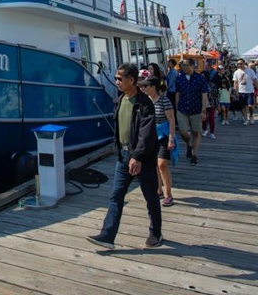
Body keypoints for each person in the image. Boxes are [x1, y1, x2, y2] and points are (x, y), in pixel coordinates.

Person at [87, 63, 163, 250]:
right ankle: (107, 235)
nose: (116, 82)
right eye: (116, 78)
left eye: (120, 79)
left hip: (141, 159)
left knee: (150, 197)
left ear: (131, 80)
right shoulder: (120, 100)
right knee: (116, 196)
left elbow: (147, 134)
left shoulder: (145, 104)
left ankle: (156, 232)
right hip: (123, 157)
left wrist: (137, 157)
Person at [140, 75, 176, 207]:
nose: (143, 88)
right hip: (150, 136)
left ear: (153, 87)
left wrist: (171, 138)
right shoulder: (144, 101)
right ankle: (159, 190)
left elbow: (172, 120)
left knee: (162, 164)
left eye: (145, 86)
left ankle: (168, 195)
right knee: (154, 164)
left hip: (163, 135)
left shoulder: (164, 101)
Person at [175, 60, 209, 165]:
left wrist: (204, 110)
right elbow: (177, 93)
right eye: (182, 65)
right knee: (183, 131)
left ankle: (194, 154)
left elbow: (204, 95)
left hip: (196, 108)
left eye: (186, 65)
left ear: (192, 66)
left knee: (196, 132)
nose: (183, 67)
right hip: (182, 108)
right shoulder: (179, 78)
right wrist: (177, 106)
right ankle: (189, 144)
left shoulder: (200, 78)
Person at [233, 58, 256, 125]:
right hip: (241, 91)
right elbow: (235, 82)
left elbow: (255, 80)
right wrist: (236, 91)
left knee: (250, 106)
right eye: (238, 64)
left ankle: (251, 115)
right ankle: (246, 119)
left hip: (250, 91)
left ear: (244, 64)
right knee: (243, 106)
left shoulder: (250, 71)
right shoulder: (236, 72)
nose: (239, 65)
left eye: (241, 63)